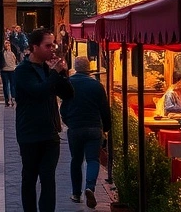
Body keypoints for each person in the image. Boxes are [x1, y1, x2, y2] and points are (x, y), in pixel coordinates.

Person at [14, 28, 73, 212]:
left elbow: (69, 94)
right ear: (34, 47)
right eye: (48, 45)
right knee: (29, 178)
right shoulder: (22, 71)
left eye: (53, 44)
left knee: (48, 179)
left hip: (50, 133)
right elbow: (38, 92)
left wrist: (62, 73)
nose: (52, 49)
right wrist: (55, 74)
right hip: (30, 133)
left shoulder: (49, 69)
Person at [62, 56, 110, 208]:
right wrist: (106, 128)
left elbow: (63, 109)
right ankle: (90, 187)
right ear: (88, 68)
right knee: (92, 160)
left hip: (75, 128)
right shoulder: (96, 85)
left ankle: (76, 194)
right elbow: (105, 109)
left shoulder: (69, 83)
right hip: (94, 127)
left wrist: (68, 121)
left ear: (75, 67)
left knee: (76, 160)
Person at [0, 39, 19, 107]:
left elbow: (16, 60)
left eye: (8, 44)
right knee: (5, 86)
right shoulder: (1, 53)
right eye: (6, 44)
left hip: (12, 70)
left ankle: (12, 98)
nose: (7, 45)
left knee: (12, 85)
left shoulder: (13, 53)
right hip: (4, 71)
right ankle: (7, 99)